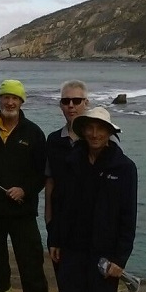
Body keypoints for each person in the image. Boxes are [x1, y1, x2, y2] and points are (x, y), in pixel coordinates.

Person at [48, 107, 138, 292]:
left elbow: (128, 217)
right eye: (90, 127)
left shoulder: (124, 168)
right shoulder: (72, 161)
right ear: (83, 130)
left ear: (110, 132)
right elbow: (60, 202)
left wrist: (120, 259)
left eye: (101, 129)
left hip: (104, 257)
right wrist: (55, 239)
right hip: (71, 252)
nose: (95, 133)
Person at [0, 80, 55, 292]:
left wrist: (24, 189)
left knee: (32, 272)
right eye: (5, 98)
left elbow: (42, 175)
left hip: (23, 215)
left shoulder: (34, 133)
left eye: (15, 98)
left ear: (22, 102)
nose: (10, 103)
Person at [44, 80, 90, 276]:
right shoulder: (54, 140)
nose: (71, 105)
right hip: (63, 232)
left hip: (92, 233)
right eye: (66, 101)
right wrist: (51, 232)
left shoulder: (98, 139)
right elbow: (50, 186)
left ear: (86, 103)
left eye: (76, 100)